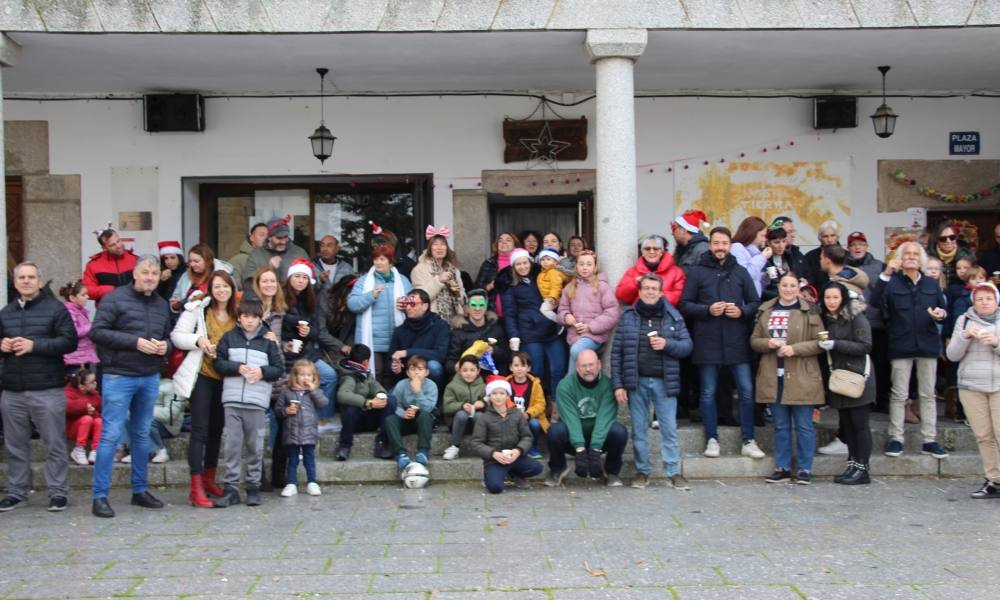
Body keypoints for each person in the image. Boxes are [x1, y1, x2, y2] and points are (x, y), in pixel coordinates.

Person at [89, 255, 172, 518]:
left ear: (160, 277)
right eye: (145, 272)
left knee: (141, 434)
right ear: (134, 273)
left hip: (148, 375)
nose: (150, 277)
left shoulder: (161, 304)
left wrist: (165, 347)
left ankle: (139, 490)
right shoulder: (114, 298)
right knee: (111, 435)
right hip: (118, 375)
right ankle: (99, 496)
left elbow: (168, 336)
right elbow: (98, 332)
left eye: (154, 273)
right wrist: (134, 342)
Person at [680, 227, 765, 460]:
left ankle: (748, 439)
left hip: (737, 340)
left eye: (724, 243)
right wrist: (707, 309)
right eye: (716, 243)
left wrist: (741, 311)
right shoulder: (697, 272)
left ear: (730, 245)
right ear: (710, 245)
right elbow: (685, 304)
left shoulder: (740, 272)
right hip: (707, 340)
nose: (720, 247)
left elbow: (755, 302)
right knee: (707, 392)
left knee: (747, 391)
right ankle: (712, 438)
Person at [0, 262, 78, 513]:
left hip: (47, 388)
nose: (26, 281)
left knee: (54, 443)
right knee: (14, 446)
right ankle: (16, 492)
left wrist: (35, 346)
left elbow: (69, 342)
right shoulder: (6, 312)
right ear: (15, 282)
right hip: (12, 389)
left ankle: (57, 492)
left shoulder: (56, 309)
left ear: (40, 281)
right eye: (21, 277)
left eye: (31, 277)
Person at [611, 272, 693, 490]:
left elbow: (687, 346)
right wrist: (618, 384)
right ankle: (642, 472)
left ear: (660, 292)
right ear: (639, 291)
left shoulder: (673, 316)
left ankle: (673, 472)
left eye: (653, 289)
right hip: (636, 382)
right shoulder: (628, 316)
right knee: (639, 430)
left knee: (669, 430)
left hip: (664, 382)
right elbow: (616, 353)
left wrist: (667, 344)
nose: (649, 292)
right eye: (646, 288)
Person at [870, 241, 950, 460]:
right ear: (900, 259)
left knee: (927, 394)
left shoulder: (931, 284)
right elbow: (875, 301)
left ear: (921, 259)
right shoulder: (892, 282)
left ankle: (929, 440)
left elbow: (944, 309)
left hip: (927, 344)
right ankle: (896, 438)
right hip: (900, 344)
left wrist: (940, 314)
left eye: (916, 254)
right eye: (908, 254)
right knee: (899, 394)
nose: (912, 257)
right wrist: (887, 272)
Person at [170, 270, 238, 508]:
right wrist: (198, 341)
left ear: (231, 288)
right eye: (217, 286)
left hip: (227, 378)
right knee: (199, 429)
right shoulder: (199, 309)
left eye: (225, 286)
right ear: (211, 289)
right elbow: (177, 336)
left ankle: (209, 478)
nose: (222, 290)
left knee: (217, 430)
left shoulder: (237, 313)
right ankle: (195, 485)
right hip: (203, 375)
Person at [751, 271, 824, 484]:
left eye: (793, 285)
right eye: (785, 285)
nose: (788, 289)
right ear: (779, 287)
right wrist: (768, 344)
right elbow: (754, 340)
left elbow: (821, 342)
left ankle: (804, 468)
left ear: (798, 288)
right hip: (774, 374)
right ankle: (781, 467)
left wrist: (795, 349)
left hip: (801, 374)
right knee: (780, 426)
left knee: (804, 426)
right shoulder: (766, 310)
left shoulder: (809, 310)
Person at [211, 298, 284, 508]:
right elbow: (219, 363)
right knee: (232, 446)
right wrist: (237, 368)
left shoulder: (268, 342)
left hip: (257, 401)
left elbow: (278, 369)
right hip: (232, 400)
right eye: (245, 316)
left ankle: (254, 486)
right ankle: (231, 488)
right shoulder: (229, 337)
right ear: (239, 318)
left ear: (260, 318)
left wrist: (261, 371)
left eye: (253, 317)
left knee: (255, 445)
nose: (249, 321)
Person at [945, 282, 1000, 499]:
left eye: (989, 298)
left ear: (996, 301)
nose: (984, 302)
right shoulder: (964, 320)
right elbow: (952, 355)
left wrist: (996, 342)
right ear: (973, 302)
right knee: (983, 435)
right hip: (971, 386)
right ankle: (993, 480)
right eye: (980, 299)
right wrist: (964, 336)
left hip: (998, 386)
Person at [545, 349, 628, 487]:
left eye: (591, 365)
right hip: (574, 438)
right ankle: (558, 468)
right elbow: (571, 419)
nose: (588, 369)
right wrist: (579, 449)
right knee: (554, 431)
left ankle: (611, 471)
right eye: (584, 366)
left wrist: (595, 449)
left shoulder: (608, 385)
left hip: (599, 440)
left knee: (619, 432)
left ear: (599, 365)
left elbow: (604, 418)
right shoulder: (565, 386)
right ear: (577, 367)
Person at [820, 281, 876, 485]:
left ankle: (863, 468)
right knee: (848, 425)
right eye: (827, 297)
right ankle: (853, 463)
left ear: (842, 298)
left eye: (835, 297)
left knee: (860, 425)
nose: (831, 301)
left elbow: (865, 345)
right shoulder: (827, 319)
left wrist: (836, 344)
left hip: (857, 377)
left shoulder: (855, 316)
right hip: (839, 378)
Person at [501, 248, 567, 394]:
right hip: (529, 335)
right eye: (518, 264)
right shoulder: (510, 286)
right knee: (536, 372)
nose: (523, 267)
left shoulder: (542, 276)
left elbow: (561, 281)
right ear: (513, 267)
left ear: (530, 262)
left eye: (525, 263)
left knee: (559, 369)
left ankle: (556, 404)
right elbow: (509, 314)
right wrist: (514, 335)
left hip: (552, 331)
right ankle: (538, 405)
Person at [348, 243, 411, 385]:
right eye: (376, 259)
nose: (378, 262)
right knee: (374, 375)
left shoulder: (403, 281)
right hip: (372, 341)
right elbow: (352, 304)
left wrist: (406, 305)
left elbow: (414, 304)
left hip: (396, 339)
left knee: (393, 375)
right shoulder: (364, 281)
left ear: (391, 261)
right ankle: (375, 405)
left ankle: (389, 406)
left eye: (382, 259)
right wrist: (371, 295)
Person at [469, 375, 543, 493]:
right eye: (494, 393)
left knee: (537, 468)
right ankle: (490, 474)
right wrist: (493, 454)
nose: (498, 397)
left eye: (502, 393)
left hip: (515, 457)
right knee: (495, 488)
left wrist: (518, 450)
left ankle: (514, 474)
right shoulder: (484, 418)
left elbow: (527, 437)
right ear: (489, 397)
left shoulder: (517, 415)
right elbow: (476, 442)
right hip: (495, 459)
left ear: (508, 396)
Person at [844, 231, 890, 414]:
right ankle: (860, 399)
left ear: (867, 246)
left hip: (876, 323)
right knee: (857, 365)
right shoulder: (843, 267)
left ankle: (881, 400)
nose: (857, 248)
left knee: (880, 365)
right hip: (853, 324)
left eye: (861, 244)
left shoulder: (880, 266)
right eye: (853, 245)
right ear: (848, 248)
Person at [557, 250, 620, 370]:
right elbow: (561, 309)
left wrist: (590, 326)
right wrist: (566, 316)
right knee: (576, 369)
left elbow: (612, 312)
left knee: (576, 352)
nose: (584, 268)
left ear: (595, 266)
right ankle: (590, 382)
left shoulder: (602, 286)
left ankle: (586, 379)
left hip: (594, 336)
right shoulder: (570, 287)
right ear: (576, 266)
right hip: (574, 336)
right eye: (581, 264)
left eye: (588, 264)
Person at [275, 359, 328, 497]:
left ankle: (312, 482)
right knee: (292, 459)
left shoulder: (314, 392)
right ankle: (291, 483)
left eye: (309, 375)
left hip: (309, 432)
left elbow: (323, 403)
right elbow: (278, 410)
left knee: (309, 459)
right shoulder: (287, 392)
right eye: (302, 375)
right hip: (292, 432)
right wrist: (287, 410)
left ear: (314, 377)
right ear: (295, 376)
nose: (306, 378)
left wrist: (314, 390)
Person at [335, 344, 392, 461]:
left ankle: (381, 444)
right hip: (354, 422)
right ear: (366, 361)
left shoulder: (364, 373)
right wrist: (368, 403)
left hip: (368, 418)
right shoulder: (348, 376)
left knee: (391, 400)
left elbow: (377, 387)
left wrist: (379, 396)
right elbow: (342, 395)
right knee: (351, 408)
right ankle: (344, 446)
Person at [388, 289, 450, 390]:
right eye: (406, 304)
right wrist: (395, 366)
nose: (408, 308)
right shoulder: (400, 330)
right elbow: (391, 358)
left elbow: (440, 354)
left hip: (430, 377)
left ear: (425, 306)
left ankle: (433, 401)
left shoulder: (440, 325)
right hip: (407, 377)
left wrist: (407, 352)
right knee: (388, 400)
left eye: (412, 304)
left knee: (434, 366)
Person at [384, 355, 438, 471]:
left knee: (425, 415)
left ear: (427, 372)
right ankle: (400, 454)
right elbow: (395, 404)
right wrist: (402, 413)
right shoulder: (402, 385)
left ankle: (423, 451)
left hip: (423, 420)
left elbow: (428, 408)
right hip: (406, 418)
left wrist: (418, 391)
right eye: (413, 370)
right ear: (408, 373)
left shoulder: (431, 386)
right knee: (390, 420)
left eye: (420, 369)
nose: (416, 373)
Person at [445, 289, 508, 375]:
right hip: (467, 377)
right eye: (473, 305)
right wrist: (455, 366)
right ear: (467, 308)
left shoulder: (496, 328)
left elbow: (507, 356)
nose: (477, 309)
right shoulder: (458, 331)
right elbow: (450, 361)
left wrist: (494, 350)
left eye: (481, 305)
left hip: (492, 377)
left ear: (486, 307)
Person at [409, 229, 466, 324]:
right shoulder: (419, 270)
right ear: (430, 249)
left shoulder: (454, 270)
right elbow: (420, 298)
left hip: (455, 323)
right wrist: (439, 280)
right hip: (432, 323)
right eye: (435, 244)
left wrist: (458, 293)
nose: (439, 247)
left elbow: (463, 300)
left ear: (447, 248)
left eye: (443, 244)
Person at [615, 235, 685, 307]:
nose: (651, 252)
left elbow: (678, 297)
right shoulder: (633, 271)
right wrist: (634, 283)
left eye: (656, 249)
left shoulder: (677, 272)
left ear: (662, 252)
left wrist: (655, 293)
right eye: (647, 249)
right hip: (638, 315)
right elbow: (621, 296)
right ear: (642, 252)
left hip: (665, 315)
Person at [243, 215, 311, 283]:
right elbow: (247, 281)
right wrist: (268, 268)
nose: (283, 241)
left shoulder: (300, 253)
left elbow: (311, 279)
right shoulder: (256, 255)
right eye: (279, 238)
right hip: (264, 293)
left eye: (286, 237)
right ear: (269, 237)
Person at [506, 352, 548, 459]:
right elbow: (500, 400)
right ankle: (512, 447)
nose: (519, 369)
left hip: (528, 417)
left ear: (528, 368)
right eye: (516, 365)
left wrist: (528, 414)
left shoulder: (535, 384)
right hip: (509, 417)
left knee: (535, 424)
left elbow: (541, 404)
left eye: (523, 365)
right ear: (511, 367)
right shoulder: (505, 383)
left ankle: (532, 447)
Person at [442, 355, 485, 460]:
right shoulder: (452, 385)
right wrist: (461, 405)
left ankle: (483, 446)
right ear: (459, 371)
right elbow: (446, 406)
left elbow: (491, 402)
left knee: (479, 415)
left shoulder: (483, 385)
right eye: (465, 370)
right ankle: (454, 446)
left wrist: (484, 403)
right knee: (462, 414)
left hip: (475, 422)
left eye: (472, 370)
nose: (469, 373)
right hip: (456, 422)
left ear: (478, 371)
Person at [170, 244, 235, 312]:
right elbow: (177, 296)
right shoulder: (185, 276)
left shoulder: (223, 276)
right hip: (189, 318)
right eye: (190, 261)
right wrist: (175, 304)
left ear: (207, 261)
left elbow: (233, 299)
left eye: (196, 261)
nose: (192, 264)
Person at [82, 226, 138, 304]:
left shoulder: (135, 260)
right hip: (108, 311)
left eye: (118, 241)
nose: (118, 246)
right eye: (112, 245)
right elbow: (87, 290)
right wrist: (109, 290)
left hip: (134, 309)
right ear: (104, 248)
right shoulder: (93, 265)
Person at [474, 231, 519, 315]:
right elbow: (476, 290)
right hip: (492, 312)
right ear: (497, 245)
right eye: (500, 240)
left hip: (516, 312)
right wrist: (490, 286)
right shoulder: (489, 263)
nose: (504, 242)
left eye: (508, 240)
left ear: (515, 245)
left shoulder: (520, 263)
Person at [65, 367, 102, 466]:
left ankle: (95, 450)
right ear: (82, 386)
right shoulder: (69, 392)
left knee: (99, 421)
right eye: (92, 382)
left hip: (89, 429)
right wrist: (84, 407)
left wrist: (93, 411)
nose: (95, 384)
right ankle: (79, 448)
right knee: (87, 419)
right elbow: (67, 406)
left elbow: (100, 410)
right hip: (73, 429)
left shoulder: (94, 394)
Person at [59, 281, 99, 372]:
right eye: (83, 295)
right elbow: (73, 331)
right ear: (72, 298)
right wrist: (91, 326)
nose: (87, 297)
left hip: (82, 355)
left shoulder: (80, 310)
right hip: (74, 358)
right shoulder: (69, 312)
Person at [761, 226, 809, 302]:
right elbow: (768, 288)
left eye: (784, 241)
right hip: (771, 302)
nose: (781, 246)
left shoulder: (790, 256)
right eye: (776, 242)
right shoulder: (763, 260)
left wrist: (803, 288)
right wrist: (793, 294)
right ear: (768, 243)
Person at [730, 216, 772, 297]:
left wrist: (764, 276)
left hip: (753, 300)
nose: (764, 239)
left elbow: (754, 280)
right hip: (742, 302)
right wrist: (763, 257)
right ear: (752, 233)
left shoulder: (754, 253)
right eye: (762, 236)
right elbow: (746, 274)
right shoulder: (736, 247)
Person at [928, 220, 975, 287]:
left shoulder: (966, 256)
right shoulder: (929, 256)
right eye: (943, 239)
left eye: (952, 237)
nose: (948, 241)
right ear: (937, 240)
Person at [805, 221, 842, 292]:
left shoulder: (846, 256)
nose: (829, 240)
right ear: (820, 238)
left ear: (837, 237)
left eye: (832, 235)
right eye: (826, 236)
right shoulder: (810, 257)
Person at [536, 248, 571, 323]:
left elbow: (556, 286)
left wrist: (553, 296)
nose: (545, 262)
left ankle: (559, 321)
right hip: (548, 298)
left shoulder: (553, 272)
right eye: (543, 260)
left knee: (544, 309)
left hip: (554, 298)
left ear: (555, 261)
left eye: (548, 259)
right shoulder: (542, 273)